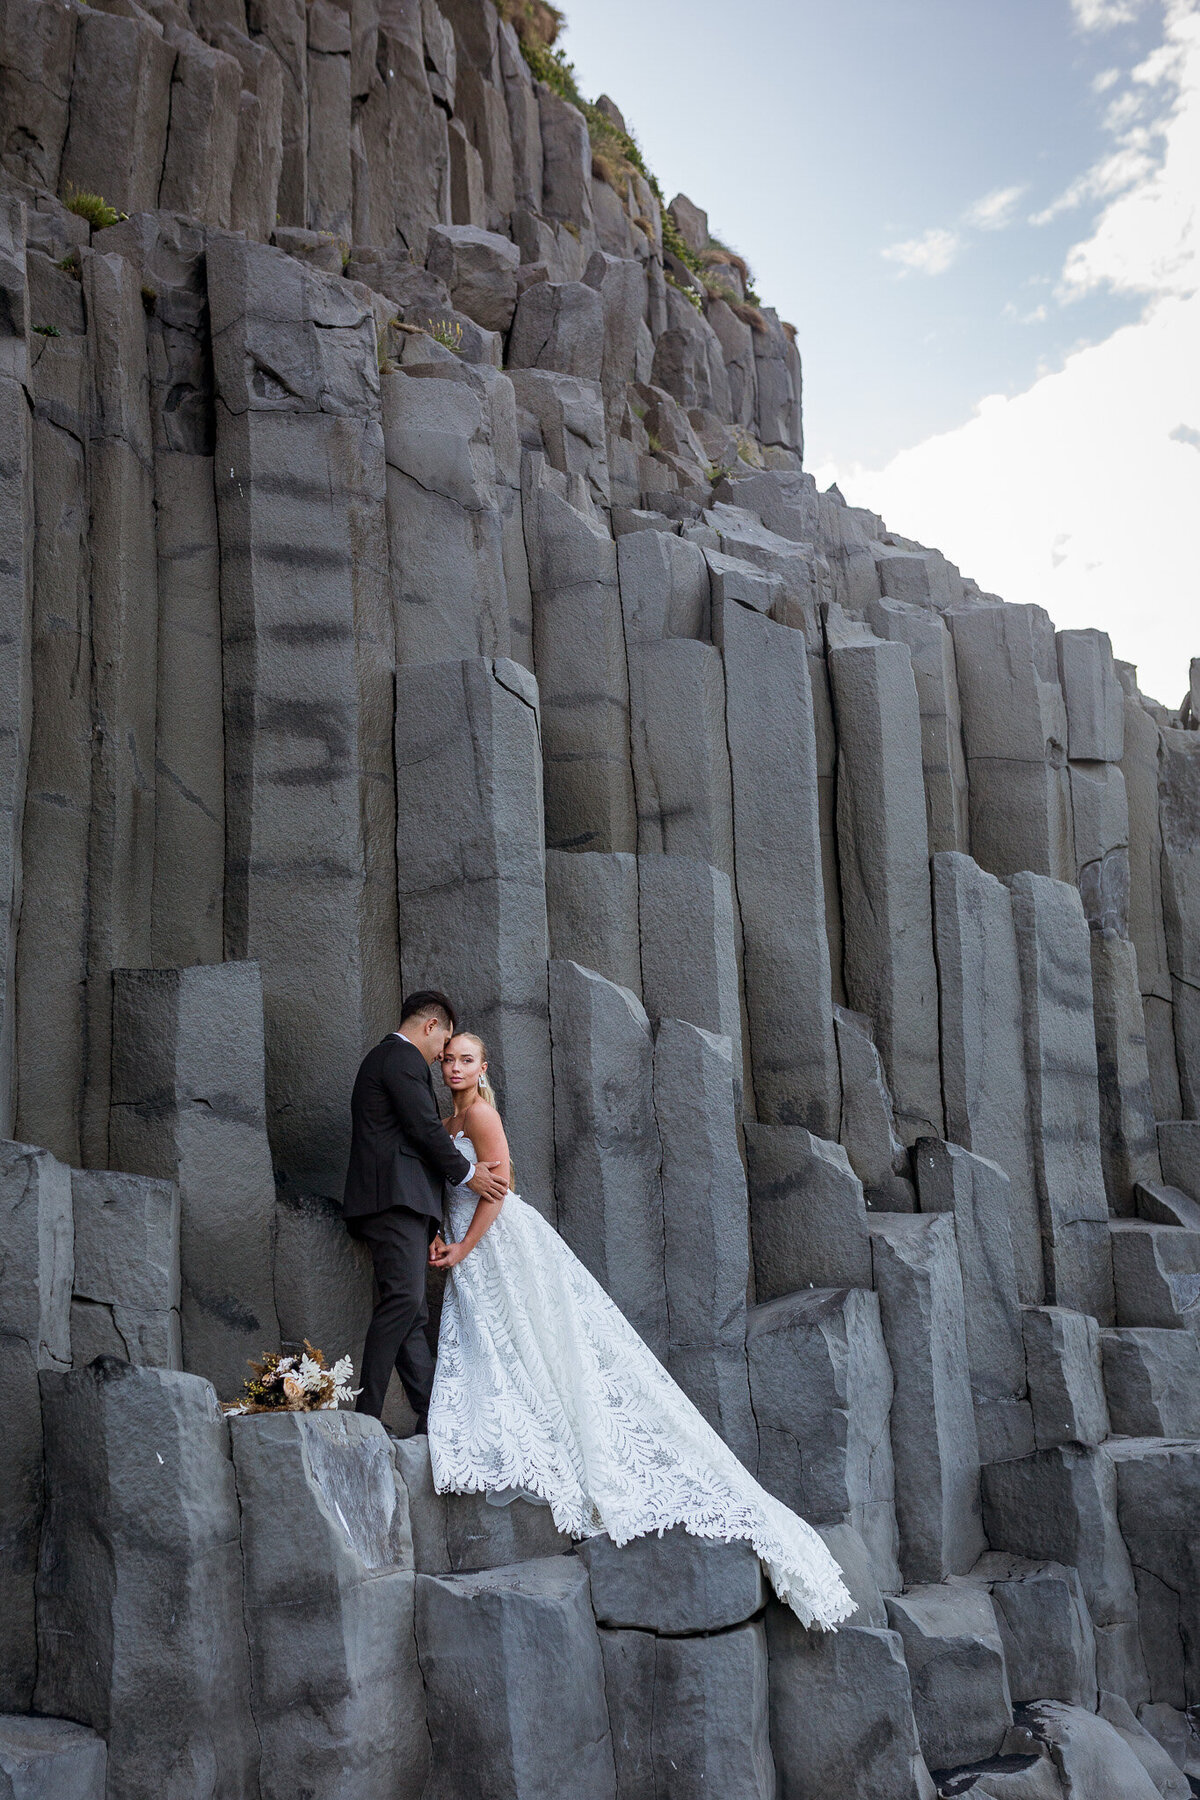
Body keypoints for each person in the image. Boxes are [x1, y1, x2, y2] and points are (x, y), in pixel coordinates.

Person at [424, 1030, 855, 1631]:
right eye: (448, 1059)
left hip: (497, 1242)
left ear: (483, 1066)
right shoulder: (454, 1119)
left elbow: (499, 1195)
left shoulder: (482, 1114)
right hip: (481, 1246)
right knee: (520, 1345)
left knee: (556, 1344)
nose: (454, 1067)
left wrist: (464, 1249)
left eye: (465, 1060)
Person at [342, 992, 509, 1427]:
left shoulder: (394, 1061)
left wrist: (429, 1222)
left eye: (462, 1058)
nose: (443, 1060)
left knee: (412, 1313)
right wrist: (468, 1173)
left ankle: (433, 1418)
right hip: (391, 1202)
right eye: (445, 1046)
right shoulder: (399, 1058)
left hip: (404, 1206)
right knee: (403, 1302)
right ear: (431, 1027)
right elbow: (421, 1129)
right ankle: (367, 1417)